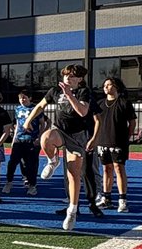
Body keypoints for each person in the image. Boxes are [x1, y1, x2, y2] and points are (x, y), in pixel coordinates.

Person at [23, 64, 100, 231]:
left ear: (79, 79)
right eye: (65, 75)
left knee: (73, 174)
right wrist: (28, 120)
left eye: (72, 76)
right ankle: (52, 160)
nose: (67, 78)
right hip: (59, 130)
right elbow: (40, 106)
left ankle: (72, 210)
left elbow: (82, 112)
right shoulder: (54, 90)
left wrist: (69, 94)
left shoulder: (83, 92)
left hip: (77, 136)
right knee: (45, 138)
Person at [90, 76, 138, 213]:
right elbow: (95, 122)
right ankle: (106, 198)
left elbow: (132, 122)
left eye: (109, 84)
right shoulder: (99, 104)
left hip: (118, 141)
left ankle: (122, 200)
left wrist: (127, 137)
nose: (106, 87)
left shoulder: (124, 103)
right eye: (105, 85)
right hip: (102, 141)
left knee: (119, 168)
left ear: (116, 87)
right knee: (106, 169)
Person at [5, 90, 42, 196]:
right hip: (19, 139)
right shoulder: (18, 109)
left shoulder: (36, 109)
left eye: (24, 97)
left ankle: (32, 185)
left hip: (31, 140)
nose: (22, 100)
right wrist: (13, 139)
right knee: (12, 162)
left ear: (30, 98)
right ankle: (9, 182)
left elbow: (43, 123)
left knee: (31, 164)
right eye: (20, 98)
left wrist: (39, 137)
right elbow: (17, 124)